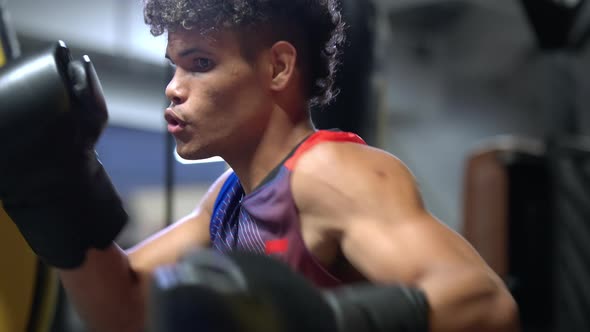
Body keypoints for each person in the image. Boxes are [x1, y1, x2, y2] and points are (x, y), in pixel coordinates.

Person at [0, 0, 519, 331]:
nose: (173, 88)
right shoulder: (226, 198)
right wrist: (59, 183)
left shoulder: (332, 174)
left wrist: (312, 322)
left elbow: (484, 304)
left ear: (278, 67)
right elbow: (123, 310)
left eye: (200, 64)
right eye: (174, 66)